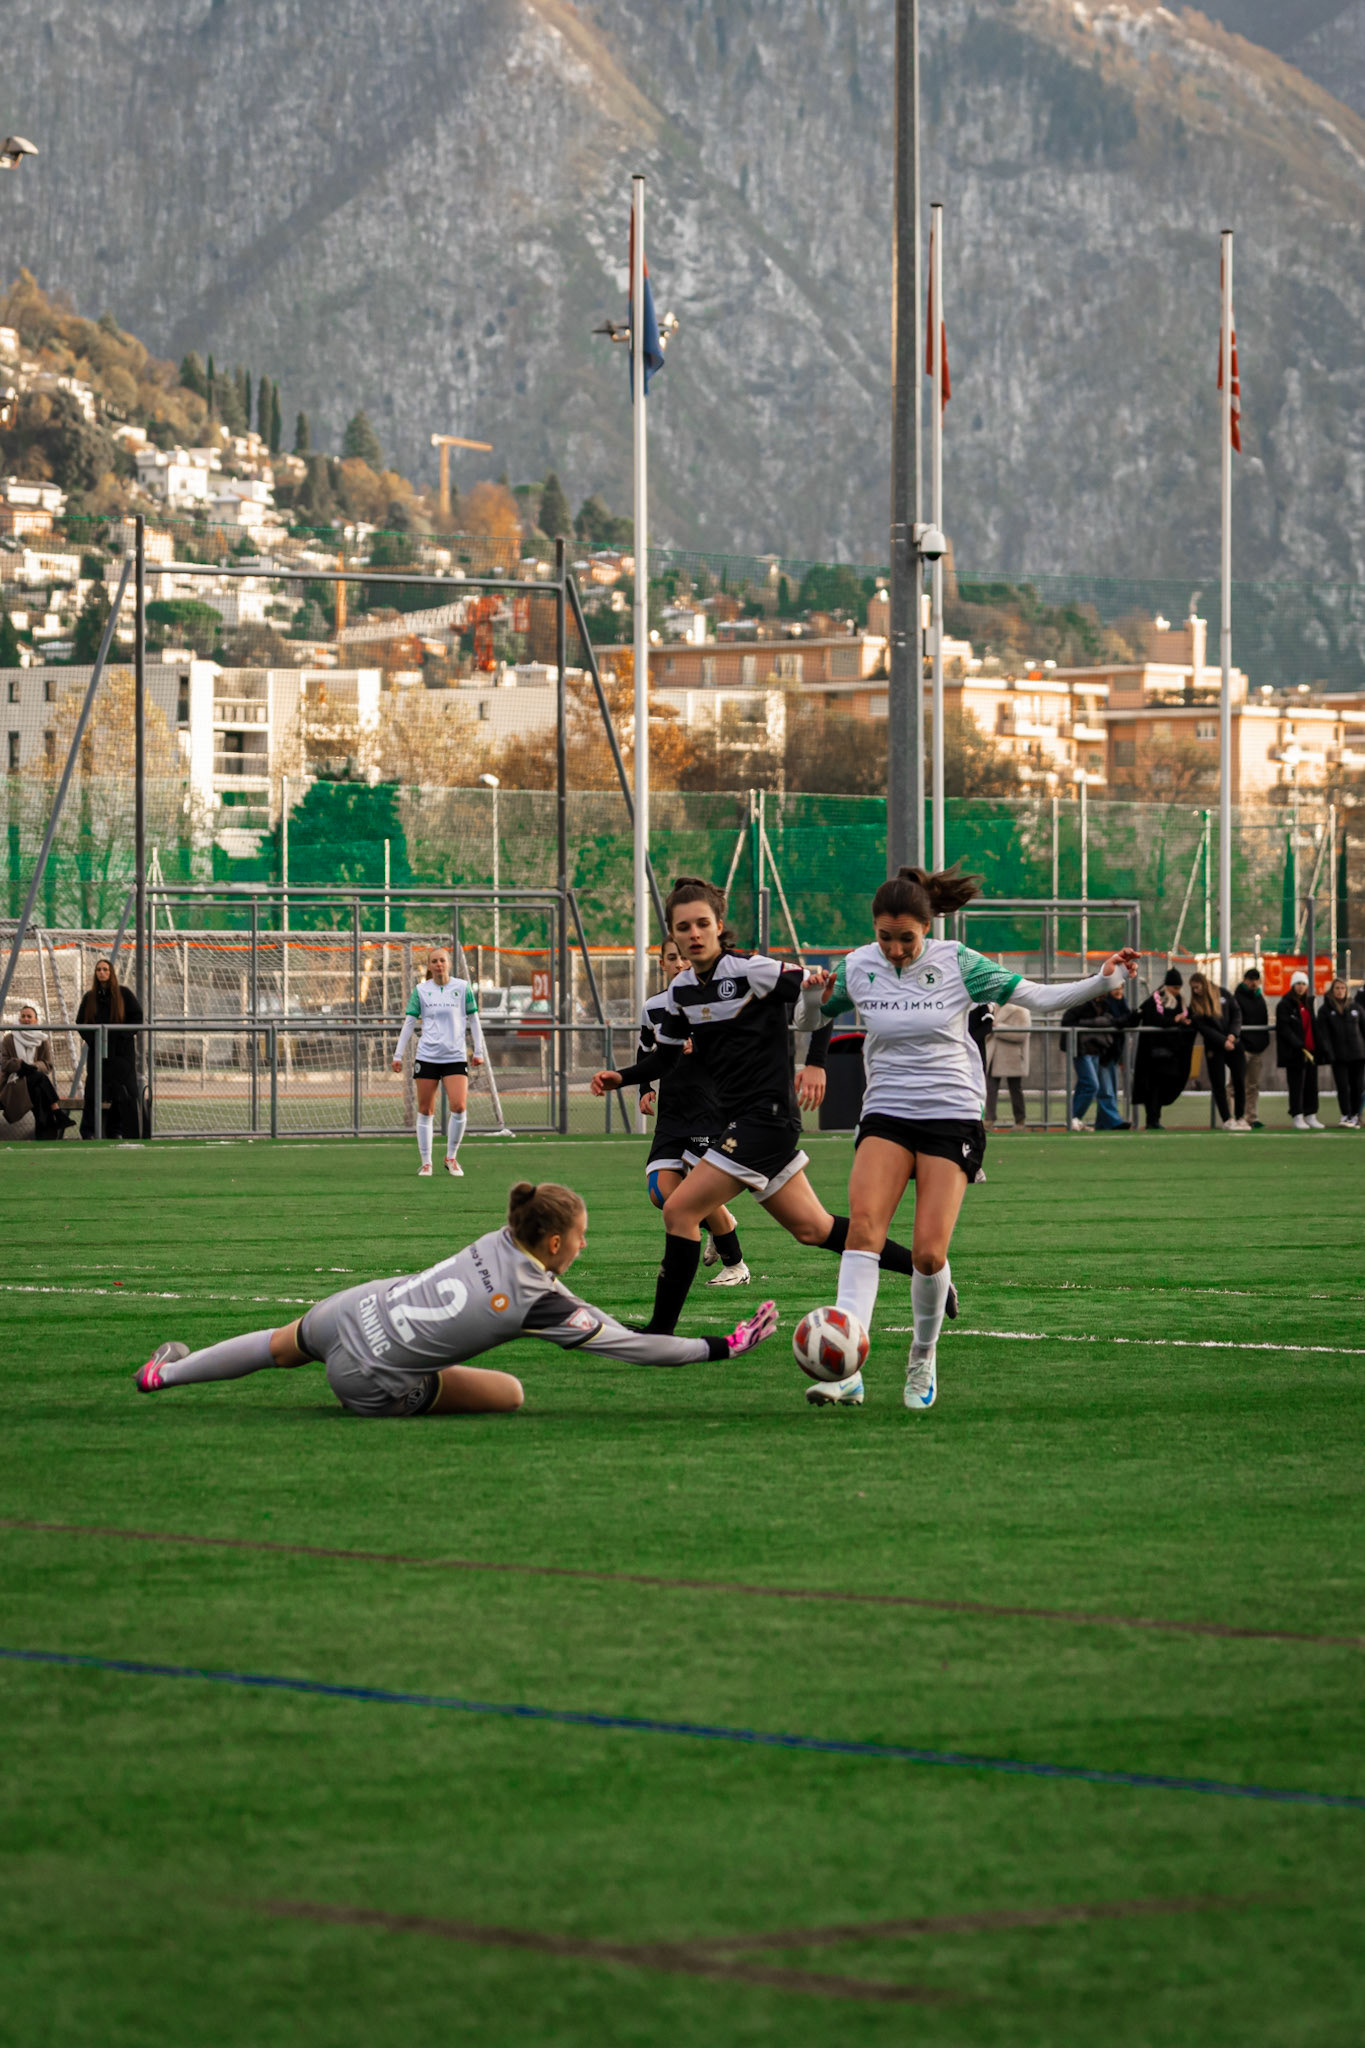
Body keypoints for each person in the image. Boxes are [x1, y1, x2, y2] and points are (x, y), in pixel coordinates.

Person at [795, 865, 1138, 1410]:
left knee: (929, 1255)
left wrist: (1103, 981)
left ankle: (922, 1355)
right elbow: (808, 1020)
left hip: (950, 1114)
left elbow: (1039, 997)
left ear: (927, 928)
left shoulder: (958, 963)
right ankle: (847, 1369)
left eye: (906, 938)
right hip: (885, 1111)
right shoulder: (858, 966)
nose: (895, 950)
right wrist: (815, 998)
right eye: (885, 937)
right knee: (863, 1232)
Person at [590, 875, 930, 1356]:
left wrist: (816, 1062)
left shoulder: (753, 970)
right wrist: (622, 1078)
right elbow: (664, 1059)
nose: (693, 934)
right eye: (683, 927)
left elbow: (822, 994)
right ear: (672, 934)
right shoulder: (682, 990)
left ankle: (660, 1331)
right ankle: (926, 1269)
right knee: (813, 1229)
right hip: (742, 1123)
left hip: (766, 1119)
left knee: (679, 1210)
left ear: (719, 925)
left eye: (702, 923)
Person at [135, 1179, 780, 1415]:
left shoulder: (504, 1233)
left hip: (352, 1312)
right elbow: (632, 1347)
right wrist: (723, 1345)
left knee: (278, 1346)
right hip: (369, 1383)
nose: (585, 1245)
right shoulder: (541, 1302)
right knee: (511, 1394)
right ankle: (391, 1384)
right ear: (554, 1243)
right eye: (581, 1237)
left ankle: (165, 1374)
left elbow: (544, 1285)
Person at [639, 933, 831, 1288]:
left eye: (683, 957)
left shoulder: (731, 988)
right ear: (662, 963)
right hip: (672, 1114)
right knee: (661, 1193)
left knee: (689, 1201)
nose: (680, 963)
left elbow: (816, 998)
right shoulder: (657, 1006)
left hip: (712, 1109)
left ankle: (734, 1264)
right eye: (672, 958)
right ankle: (717, 1230)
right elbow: (648, 1050)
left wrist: (815, 1061)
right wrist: (643, 1086)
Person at [392, 947, 484, 1177]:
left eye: (442, 960)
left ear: (449, 963)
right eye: (434, 961)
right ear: (429, 965)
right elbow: (409, 1023)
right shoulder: (421, 990)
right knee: (425, 1109)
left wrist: (478, 1051)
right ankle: (426, 1163)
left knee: (459, 1106)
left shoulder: (462, 988)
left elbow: (474, 1020)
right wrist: (397, 1054)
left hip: (454, 1056)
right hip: (427, 1057)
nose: (438, 964)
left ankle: (451, 1157)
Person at [76, 956, 143, 1140]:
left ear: (111, 972)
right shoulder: (90, 997)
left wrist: (122, 1037)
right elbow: (81, 1022)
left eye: (105, 969)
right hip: (98, 1052)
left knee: (120, 1092)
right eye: (99, 969)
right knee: (93, 1091)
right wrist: (94, 1040)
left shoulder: (124, 994)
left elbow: (137, 1018)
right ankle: (88, 1131)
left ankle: (116, 1130)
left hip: (121, 1053)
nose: (102, 973)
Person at [1063, 989, 1134, 1132]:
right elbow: (1068, 1021)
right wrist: (1095, 1023)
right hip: (1082, 1050)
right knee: (1092, 1085)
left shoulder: (1105, 1005)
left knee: (1088, 1086)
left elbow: (1115, 1020)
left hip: (1098, 1050)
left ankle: (1078, 1119)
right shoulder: (1082, 1003)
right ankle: (1074, 1118)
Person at [1132, 971, 1195, 1131]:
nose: (1177, 991)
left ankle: (1154, 1119)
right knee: (1153, 1088)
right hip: (1153, 1055)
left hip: (1171, 1054)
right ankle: (1152, 1120)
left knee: (1164, 1087)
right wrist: (1174, 1020)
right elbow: (1155, 1019)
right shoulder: (1154, 1001)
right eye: (1174, 988)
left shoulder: (1180, 1001)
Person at [1187, 971, 1247, 1130]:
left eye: (1197, 987)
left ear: (1204, 984)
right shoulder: (1195, 1005)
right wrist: (1223, 1041)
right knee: (1218, 1083)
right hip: (1214, 1047)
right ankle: (1227, 1119)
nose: (1195, 991)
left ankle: (1241, 1117)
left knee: (1240, 1080)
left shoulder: (1223, 994)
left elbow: (1236, 1013)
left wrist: (1233, 1035)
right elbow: (1203, 1028)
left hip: (1234, 1043)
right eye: (1193, 988)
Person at [1, 1006, 71, 1140]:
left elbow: (48, 1065)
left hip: (34, 1082)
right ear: (19, 1019)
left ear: (36, 1020)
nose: (26, 1019)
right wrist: (20, 1065)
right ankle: (57, 1112)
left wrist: (33, 1066)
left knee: (39, 1091)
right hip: (15, 1082)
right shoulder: (9, 1038)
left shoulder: (42, 1040)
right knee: (40, 1078)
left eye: (29, 1016)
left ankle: (45, 1134)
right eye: (23, 1016)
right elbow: (4, 1063)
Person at [1277, 969, 1324, 1130]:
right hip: (1294, 1052)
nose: (1301, 987)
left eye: (1303, 984)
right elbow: (1284, 1028)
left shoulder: (1309, 1004)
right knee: (1296, 1085)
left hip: (1310, 1051)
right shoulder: (1284, 1004)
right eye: (1298, 983)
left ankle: (1311, 1114)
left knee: (1312, 1084)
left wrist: (1318, 1046)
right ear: (1292, 985)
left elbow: (1313, 1026)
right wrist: (1297, 1044)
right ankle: (1297, 1115)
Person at [1316, 978, 1365, 1128]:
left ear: (1347, 990)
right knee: (1343, 1086)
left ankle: (1356, 1115)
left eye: (1342, 988)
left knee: (1358, 1086)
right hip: (1338, 1056)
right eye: (1337, 988)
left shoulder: (1356, 1008)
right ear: (1332, 990)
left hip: (1358, 1055)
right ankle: (1346, 1114)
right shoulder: (1325, 1010)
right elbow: (1323, 1034)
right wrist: (1328, 1052)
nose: (1340, 991)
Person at [984, 994, 1030, 1128]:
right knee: (990, 1088)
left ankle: (1020, 1121)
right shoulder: (993, 1007)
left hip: (1012, 1056)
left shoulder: (1020, 1009)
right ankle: (989, 1119)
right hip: (994, 1055)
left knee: (1015, 1089)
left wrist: (998, 1027)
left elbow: (1022, 1033)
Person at [1234, 965, 1270, 1128]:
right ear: (1244, 980)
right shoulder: (1237, 997)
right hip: (1243, 1048)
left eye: (1256, 980)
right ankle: (1233, 1116)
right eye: (1250, 980)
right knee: (1235, 1084)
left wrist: (1263, 1042)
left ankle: (1251, 1117)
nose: (1253, 983)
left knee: (1253, 1086)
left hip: (1257, 1048)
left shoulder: (1260, 998)